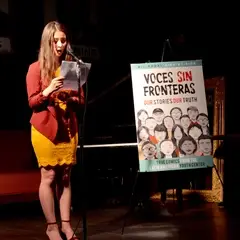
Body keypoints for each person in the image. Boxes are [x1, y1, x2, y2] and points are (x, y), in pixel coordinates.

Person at [26, 21, 84, 240]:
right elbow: (32, 102)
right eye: (56, 40)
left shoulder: (71, 67)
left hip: (68, 127)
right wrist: (48, 90)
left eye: (63, 40)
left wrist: (71, 97)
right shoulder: (35, 68)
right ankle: (52, 227)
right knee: (49, 176)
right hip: (45, 129)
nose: (60, 45)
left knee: (66, 177)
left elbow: (81, 98)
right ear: (47, 41)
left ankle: (66, 226)